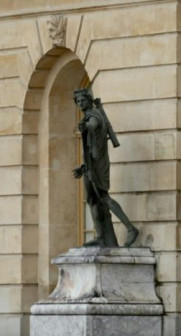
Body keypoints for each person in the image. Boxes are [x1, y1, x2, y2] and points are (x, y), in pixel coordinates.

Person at [73, 89, 139, 247]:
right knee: (91, 199)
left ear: (89, 101)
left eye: (83, 100)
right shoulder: (89, 116)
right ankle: (101, 237)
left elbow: (94, 126)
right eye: (78, 101)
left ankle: (131, 228)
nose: (80, 103)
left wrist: (86, 126)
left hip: (98, 166)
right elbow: (91, 146)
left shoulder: (94, 115)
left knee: (103, 197)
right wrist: (83, 167)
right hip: (90, 165)